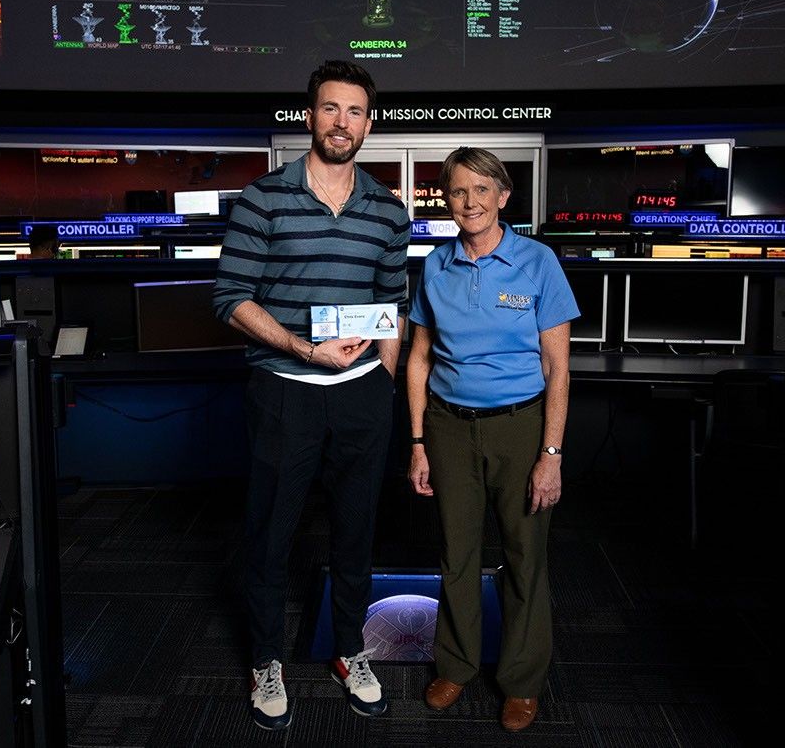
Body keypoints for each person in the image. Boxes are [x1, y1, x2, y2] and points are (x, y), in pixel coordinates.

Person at [213, 60, 410, 731]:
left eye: (354, 111)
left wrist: (383, 380)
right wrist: (303, 349)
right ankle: (266, 659)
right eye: (330, 108)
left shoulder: (388, 210)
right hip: (284, 391)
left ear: (368, 124)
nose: (341, 122)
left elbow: (393, 304)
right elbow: (230, 298)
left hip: (361, 395)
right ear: (309, 116)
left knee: (356, 529)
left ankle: (350, 649)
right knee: (271, 533)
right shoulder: (262, 198)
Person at [406, 147, 579, 732]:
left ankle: (522, 681)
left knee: (524, 555)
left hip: (521, 426)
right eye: (458, 191)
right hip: (449, 427)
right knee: (456, 553)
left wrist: (550, 455)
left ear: (503, 196)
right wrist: (417, 441)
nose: (470, 202)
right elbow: (419, 358)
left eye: (482, 189)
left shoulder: (538, 262)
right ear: (446, 200)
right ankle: (455, 667)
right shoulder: (436, 265)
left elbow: (558, 368)